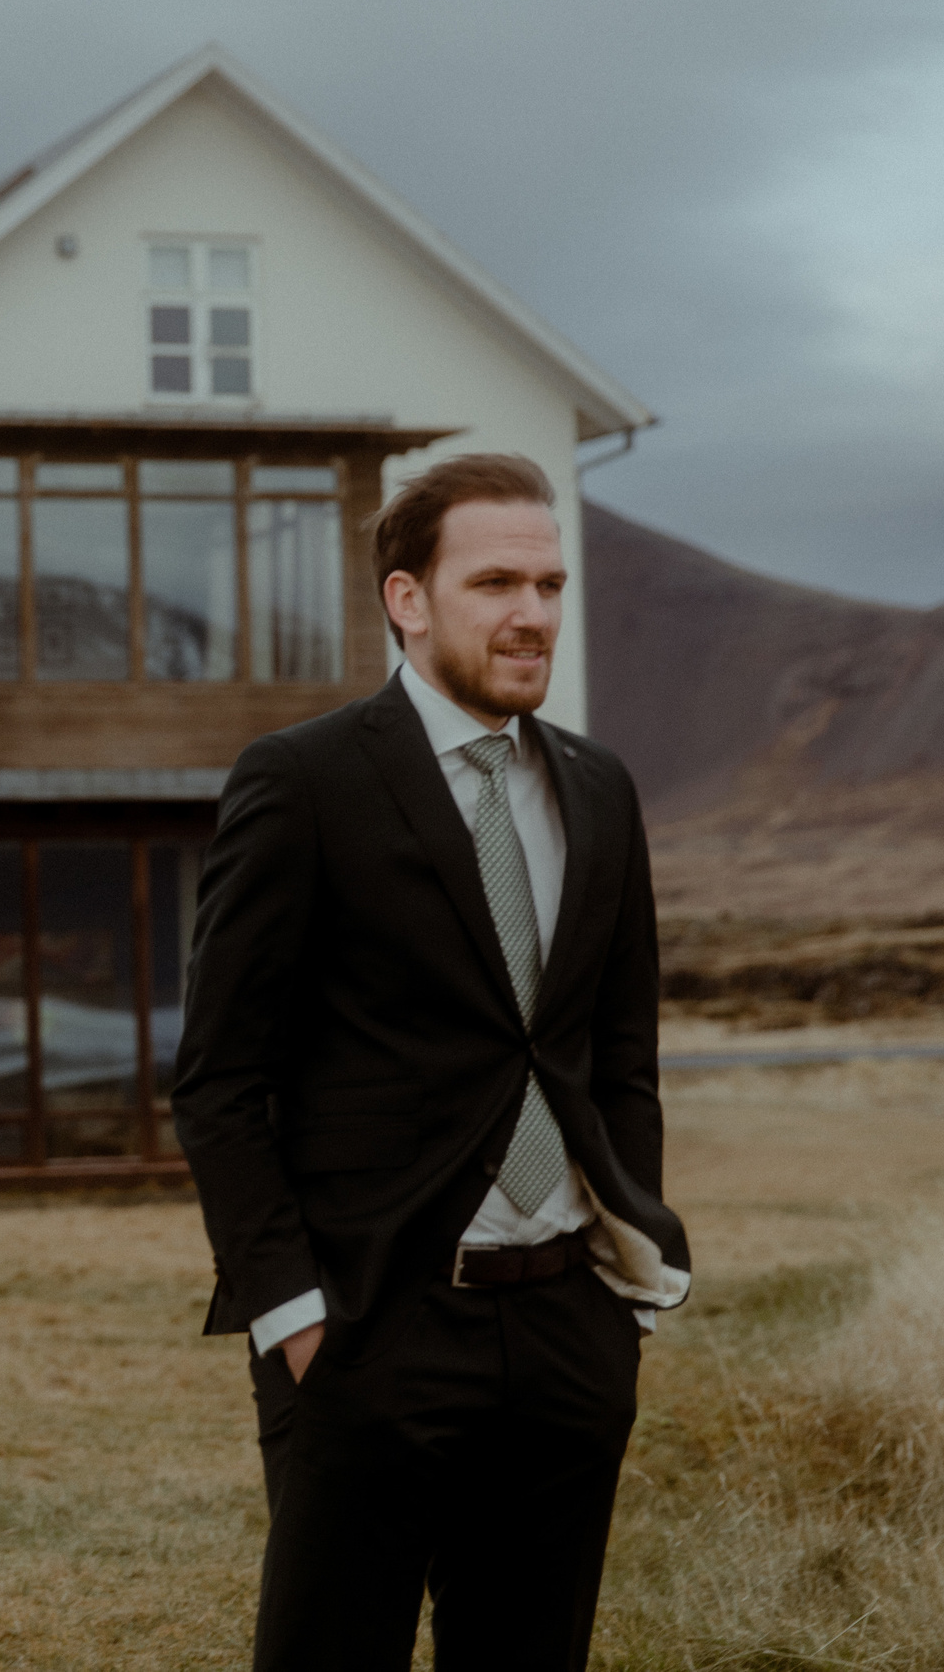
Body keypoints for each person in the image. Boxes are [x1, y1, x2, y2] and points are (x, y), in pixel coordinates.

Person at [172, 454, 689, 1671]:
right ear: (407, 599)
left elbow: (620, 1058)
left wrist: (629, 1280)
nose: (532, 614)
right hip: (368, 1331)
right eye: (496, 581)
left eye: (551, 585)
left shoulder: (602, 792)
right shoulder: (301, 782)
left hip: (568, 1328)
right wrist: (294, 1320)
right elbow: (218, 1080)